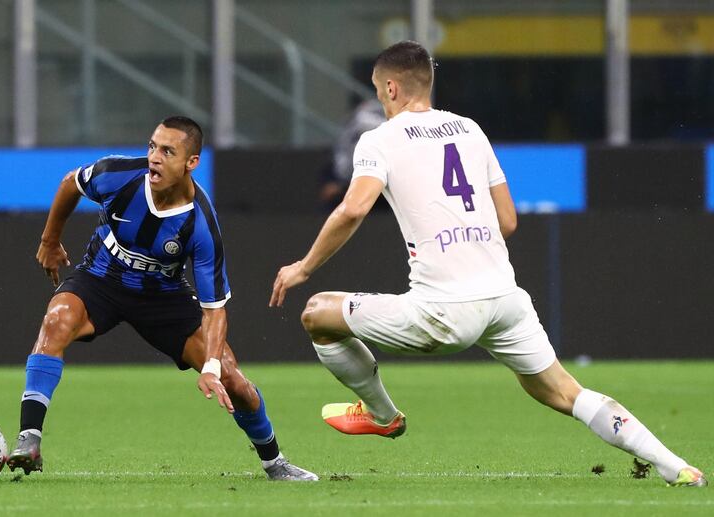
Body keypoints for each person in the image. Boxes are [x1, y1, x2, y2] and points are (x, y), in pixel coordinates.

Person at [269, 41, 706, 487]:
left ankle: (383, 415)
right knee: (565, 392)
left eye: (381, 92)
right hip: (505, 300)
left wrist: (303, 267)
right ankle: (676, 466)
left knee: (318, 313)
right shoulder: (469, 129)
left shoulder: (378, 140)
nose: (381, 100)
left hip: (442, 312)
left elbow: (353, 209)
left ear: (392, 88)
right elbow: (509, 221)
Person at [7, 116, 317, 482]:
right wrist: (49, 240)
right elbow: (70, 183)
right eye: (152, 146)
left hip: (163, 297)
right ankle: (30, 439)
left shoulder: (200, 223)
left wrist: (212, 368)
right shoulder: (118, 175)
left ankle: (274, 462)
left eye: (168, 151)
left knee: (233, 378)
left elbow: (214, 310)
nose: (154, 157)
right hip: (101, 277)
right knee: (56, 319)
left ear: (191, 163)